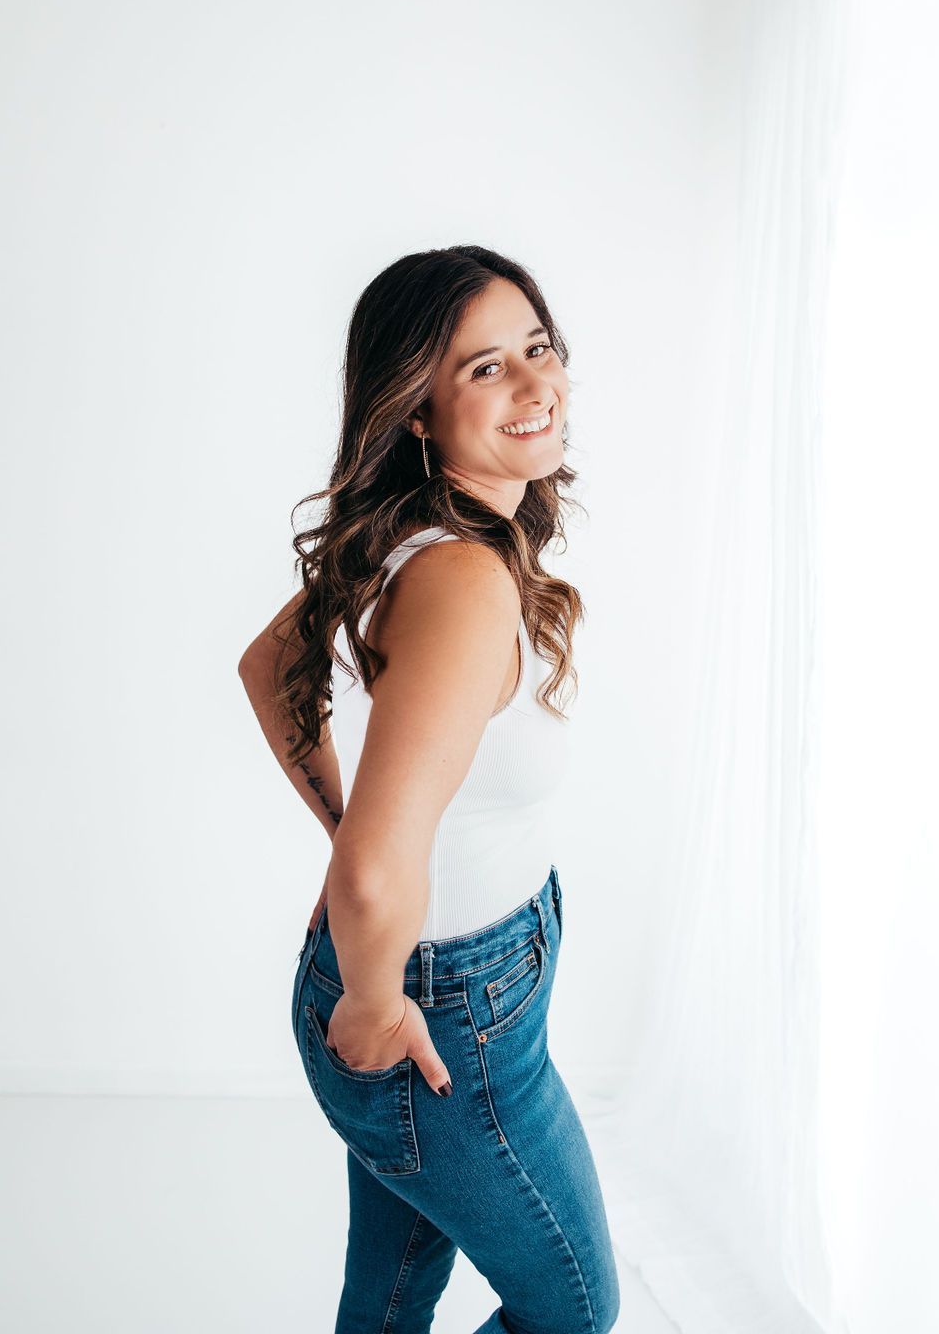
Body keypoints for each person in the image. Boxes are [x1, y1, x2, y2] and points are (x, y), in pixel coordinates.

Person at [238, 245, 619, 1333]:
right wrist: (371, 996)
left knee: (391, 1295)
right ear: (416, 408)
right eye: (485, 368)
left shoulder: (421, 537)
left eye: (537, 348)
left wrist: (357, 855)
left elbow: (269, 671)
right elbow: (370, 868)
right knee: (573, 1308)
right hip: (442, 1011)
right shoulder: (459, 577)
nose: (536, 385)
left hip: (443, 983)